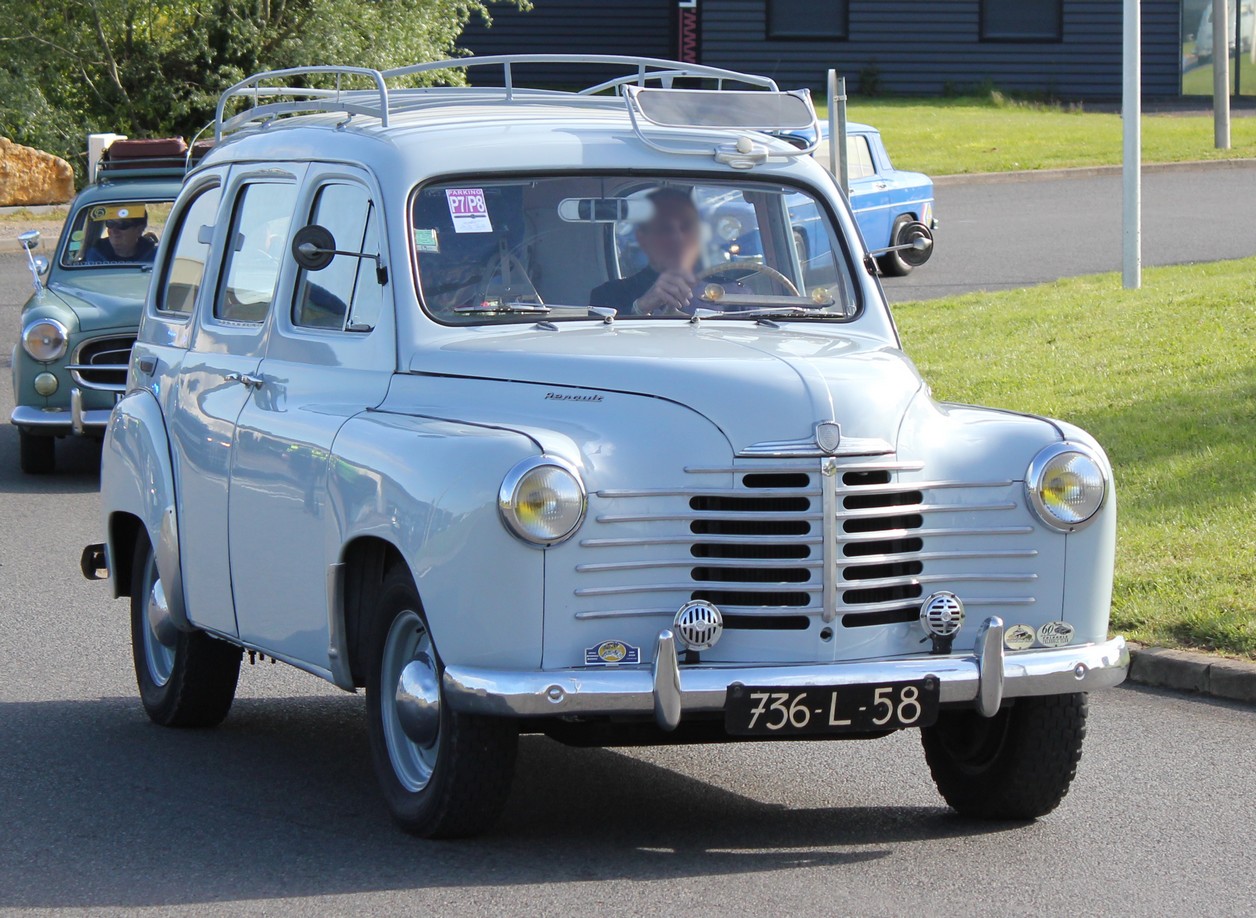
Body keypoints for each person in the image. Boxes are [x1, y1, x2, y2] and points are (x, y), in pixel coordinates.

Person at [590, 188, 702, 315]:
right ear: (642, 237)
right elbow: (600, 330)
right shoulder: (608, 295)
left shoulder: (723, 293)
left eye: (686, 228)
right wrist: (640, 307)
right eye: (665, 229)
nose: (677, 238)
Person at [85, 214, 157, 264]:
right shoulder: (95, 256)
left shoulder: (155, 257)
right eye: (110, 223)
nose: (114, 230)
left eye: (122, 225)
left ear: (139, 230)